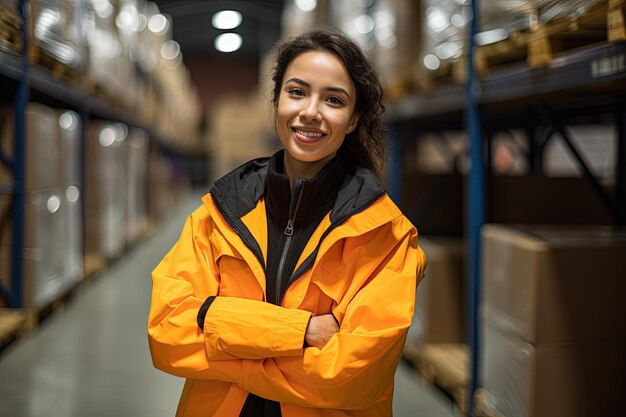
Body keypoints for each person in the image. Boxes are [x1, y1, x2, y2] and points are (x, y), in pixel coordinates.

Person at [148, 28, 427, 417]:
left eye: (333, 99)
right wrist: (302, 331)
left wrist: (218, 326)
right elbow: (167, 333)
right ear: (277, 100)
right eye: (297, 92)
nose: (311, 111)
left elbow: (349, 376)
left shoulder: (386, 237)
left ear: (352, 120)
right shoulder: (218, 214)